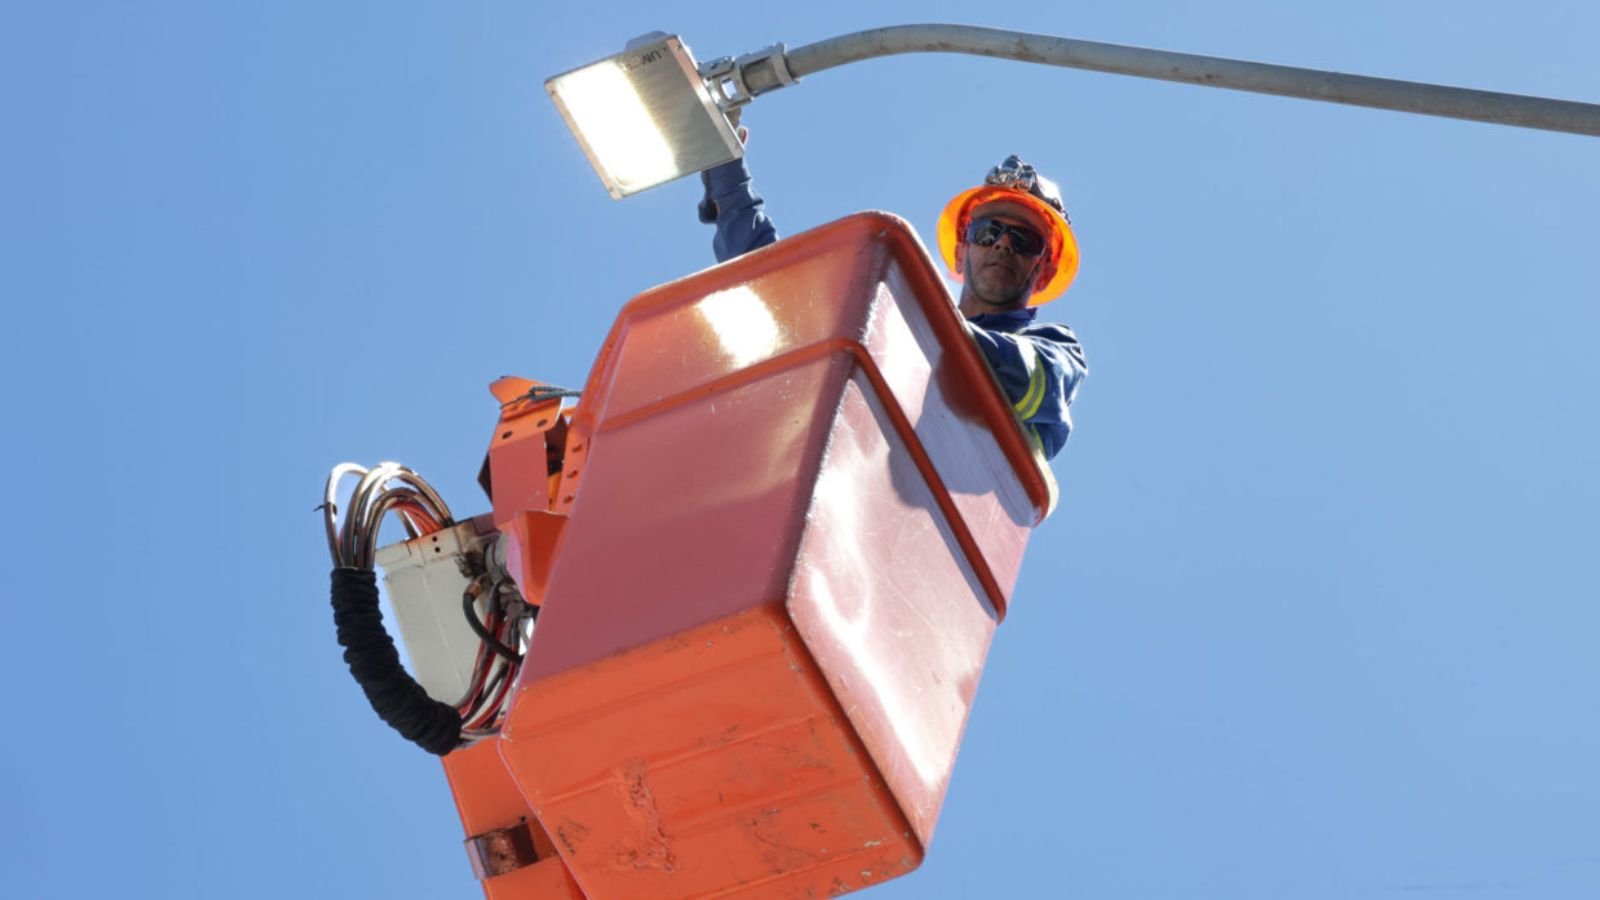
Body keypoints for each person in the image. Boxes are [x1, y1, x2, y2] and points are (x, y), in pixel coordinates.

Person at [699, 150, 1088, 459]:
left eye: (1024, 240)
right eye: (988, 232)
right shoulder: (893, 324)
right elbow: (775, 287)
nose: (1002, 244)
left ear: (1044, 273)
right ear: (960, 252)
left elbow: (1029, 378)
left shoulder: (1057, 350)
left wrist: (906, 319)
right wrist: (724, 170)